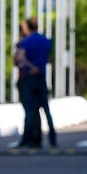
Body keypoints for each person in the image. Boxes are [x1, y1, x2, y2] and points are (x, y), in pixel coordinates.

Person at [14, 18, 58, 150]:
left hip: (29, 78)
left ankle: (27, 139)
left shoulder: (25, 42)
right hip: (41, 78)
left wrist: (31, 66)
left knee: (30, 110)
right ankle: (52, 139)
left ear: (28, 27)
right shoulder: (46, 41)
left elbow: (19, 58)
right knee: (46, 110)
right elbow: (49, 58)